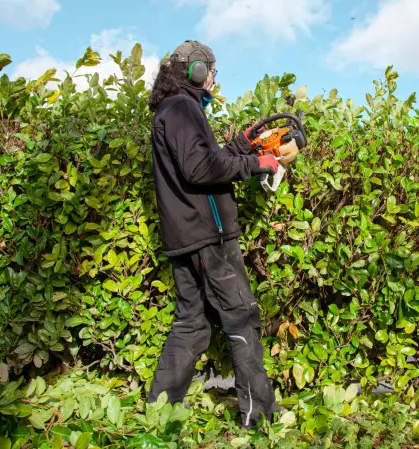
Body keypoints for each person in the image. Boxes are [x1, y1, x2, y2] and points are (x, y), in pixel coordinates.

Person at [145, 39, 287, 429]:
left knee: (191, 323)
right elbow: (200, 169)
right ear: (196, 70)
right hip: (210, 237)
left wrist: (240, 146)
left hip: (186, 237)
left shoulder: (172, 109)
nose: (212, 79)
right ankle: (260, 418)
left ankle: (158, 414)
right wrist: (257, 163)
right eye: (211, 71)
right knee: (242, 318)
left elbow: (202, 161)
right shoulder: (183, 108)